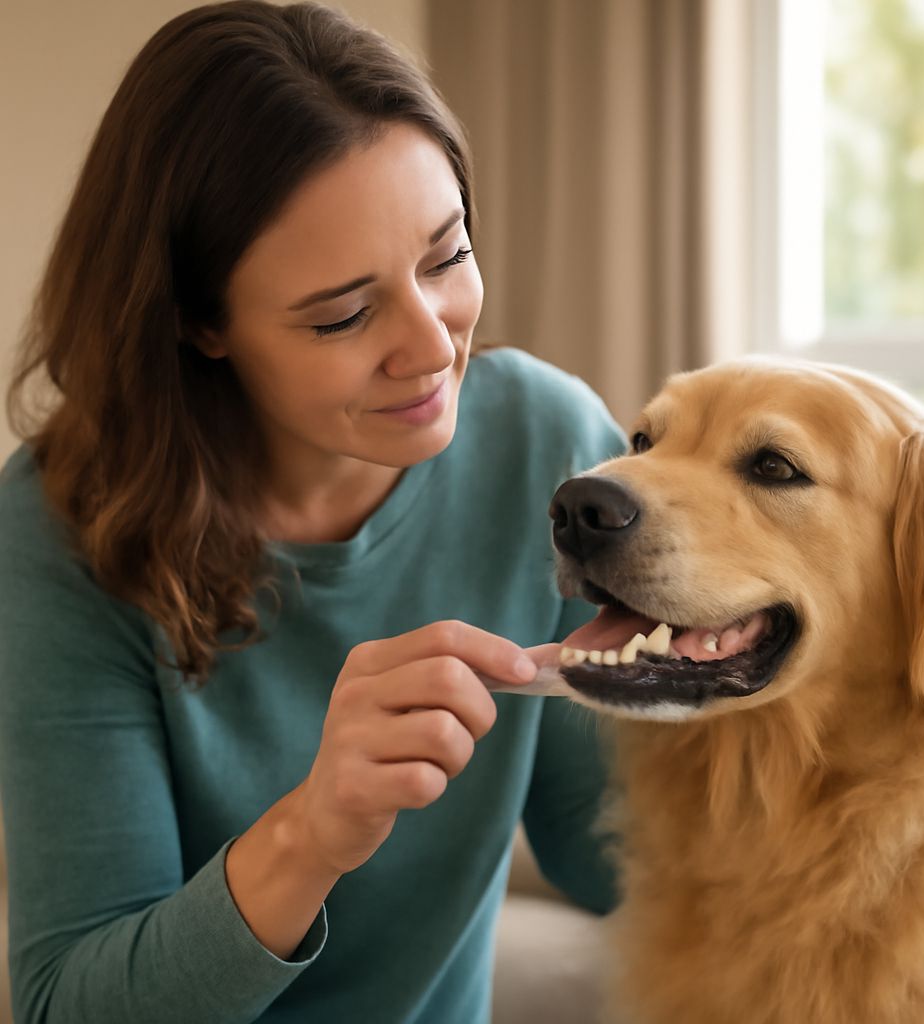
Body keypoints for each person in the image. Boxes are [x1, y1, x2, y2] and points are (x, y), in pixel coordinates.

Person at [0, 3, 626, 1022]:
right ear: (199, 321)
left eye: (446, 255)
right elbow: (66, 1003)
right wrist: (314, 831)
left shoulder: (544, 445)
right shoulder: (65, 531)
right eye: (342, 312)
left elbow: (614, 856)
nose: (431, 345)